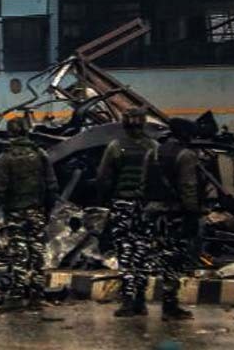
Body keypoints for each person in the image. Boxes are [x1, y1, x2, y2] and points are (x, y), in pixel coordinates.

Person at [0, 116, 58, 312]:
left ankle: (16, 297)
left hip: (16, 212)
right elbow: (52, 186)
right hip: (37, 210)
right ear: (27, 131)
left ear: (10, 133)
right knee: (37, 252)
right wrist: (48, 209)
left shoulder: (5, 158)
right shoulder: (40, 154)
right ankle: (36, 296)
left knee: (19, 253)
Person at [96, 108, 157, 317]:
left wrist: (107, 199)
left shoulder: (116, 147)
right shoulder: (153, 147)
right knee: (142, 252)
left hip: (123, 204)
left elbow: (103, 177)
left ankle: (128, 300)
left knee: (125, 252)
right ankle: (141, 299)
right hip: (146, 207)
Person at [142, 117, 201, 321]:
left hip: (153, 212)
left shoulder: (153, 152)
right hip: (174, 214)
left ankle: (136, 301)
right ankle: (170, 305)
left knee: (152, 257)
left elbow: (143, 183)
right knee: (173, 259)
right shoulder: (186, 155)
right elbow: (188, 187)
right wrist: (192, 214)